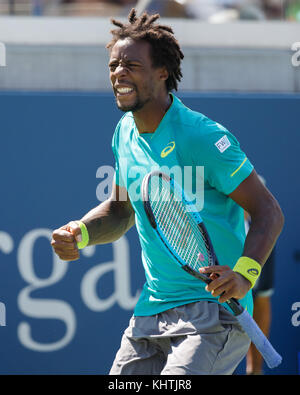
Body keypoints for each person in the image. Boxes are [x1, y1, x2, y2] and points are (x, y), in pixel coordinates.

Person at [51, 8, 284, 375]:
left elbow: (268, 211)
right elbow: (119, 212)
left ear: (162, 73)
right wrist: (79, 232)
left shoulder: (203, 136)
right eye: (113, 66)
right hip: (151, 314)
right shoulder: (123, 133)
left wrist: (243, 275)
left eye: (131, 65)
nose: (118, 74)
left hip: (213, 314)